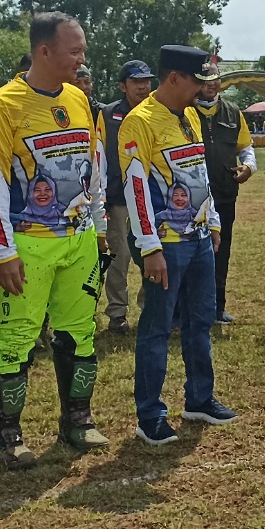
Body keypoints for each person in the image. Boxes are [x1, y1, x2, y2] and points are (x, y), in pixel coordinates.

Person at [0, 12, 108, 468]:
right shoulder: (2, 105)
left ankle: (78, 420)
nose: (82, 58)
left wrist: (98, 225)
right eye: (74, 51)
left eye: (83, 49)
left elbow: (94, 167)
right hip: (28, 242)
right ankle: (5, 438)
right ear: (44, 51)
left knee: (80, 334)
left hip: (79, 240)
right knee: (17, 338)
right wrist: (2, 249)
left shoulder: (77, 99)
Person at [120, 45, 239, 444]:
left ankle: (199, 398)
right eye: (197, 82)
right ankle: (150, 414)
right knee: (156, 329)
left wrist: (214, 219)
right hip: (167, 244)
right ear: (175, 78)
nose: (204, 90)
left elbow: (199, 171)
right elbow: (136, 189)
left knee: (200, 321)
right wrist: (150, 247)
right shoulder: (139, 122)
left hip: (200, 237)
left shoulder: (188, 115)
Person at [194, 65, 255, 324]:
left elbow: (246, 147)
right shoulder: (184, 110)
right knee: (191, 250)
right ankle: (188, 309)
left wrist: (250, 166)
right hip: (191, 197)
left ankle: (217, 308)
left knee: (222, 249)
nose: (211, 84)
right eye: (205, 79)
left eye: (215, 79)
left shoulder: (232, 111)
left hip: (225, 193)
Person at [99, 60, 155, 333]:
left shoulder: (159, 111)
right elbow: (100, 157)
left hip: (152, 198)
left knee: (150, 255)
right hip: (119, 199)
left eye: (147, 81)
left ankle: (150, 310)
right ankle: (117, 314)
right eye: (136, 81)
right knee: (119, 259)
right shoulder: (108, 114)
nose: (143, 86)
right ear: (123, 86)